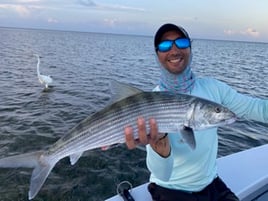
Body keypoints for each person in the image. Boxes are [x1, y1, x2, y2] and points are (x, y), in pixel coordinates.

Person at [123, 23, 268, 201]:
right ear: (157, 54)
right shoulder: (150, 103)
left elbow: (258, 109)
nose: (174, 50)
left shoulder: (214, 89)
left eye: (181, 43)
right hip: (170, 190)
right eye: (165, 46)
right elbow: (163, 175)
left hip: (212, 185)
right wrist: (159, 146)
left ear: (190, 48)